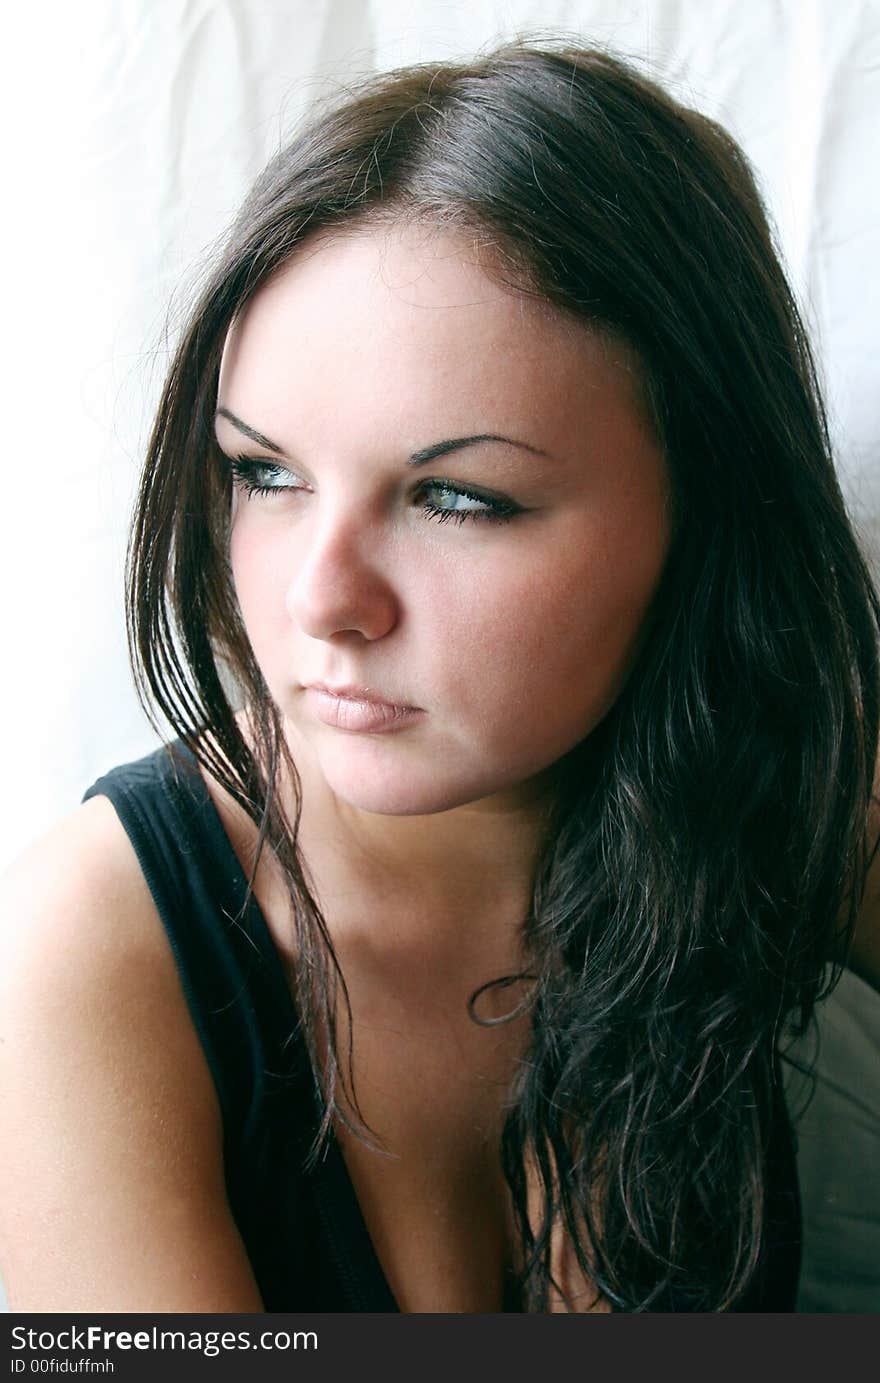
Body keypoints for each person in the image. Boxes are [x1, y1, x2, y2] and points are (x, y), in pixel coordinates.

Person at [1, 37, 878, 1315]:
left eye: (456, 498)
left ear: (705, 512)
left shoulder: (758, 810)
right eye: (264, 473)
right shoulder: (92, 947)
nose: (318, 600)